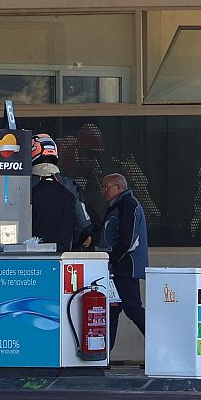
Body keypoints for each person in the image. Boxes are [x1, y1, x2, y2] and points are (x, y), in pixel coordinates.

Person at [100, 173, 148, 346]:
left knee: (133, 308)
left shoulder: (129, 205)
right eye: (102, 188)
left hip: (126, 268)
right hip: (114, 269)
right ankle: (106, 354)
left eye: (107, 188)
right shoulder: (116, 206)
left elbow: (129, 240)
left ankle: (159, 347)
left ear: (119, 187)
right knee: (112, 310)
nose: (104, 192)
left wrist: (112, 258)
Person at [29, 133, 92, 252]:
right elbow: (84, 226)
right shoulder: (70, 187)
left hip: (28, 259)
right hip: (61, 258)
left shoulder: (22, 186)